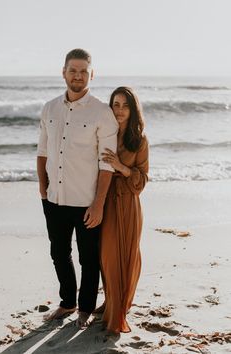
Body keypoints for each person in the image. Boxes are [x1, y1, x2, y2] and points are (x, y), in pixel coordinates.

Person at [37, 48, 118, 328]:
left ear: (91, 74)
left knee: (88, 258)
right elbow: (42, 152)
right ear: (63, 72)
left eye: (84, 71)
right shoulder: (49, 108)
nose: (78, 76)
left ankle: (85, 308)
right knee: (58, 253)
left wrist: (98, 204)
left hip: (87, 201)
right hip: (54, 199)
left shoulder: (102, 113)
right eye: (73, 70)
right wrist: (42, 189)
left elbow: (107, 164)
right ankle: (67, 302)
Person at [100, 86, 149, 334]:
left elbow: (143, 179)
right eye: (115, 104)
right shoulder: (103, 133)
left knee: (127, 254)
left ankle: (118, 310)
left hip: (128, 201)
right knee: (107, 256)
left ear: (133, 109)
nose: (119, 110)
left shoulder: (139, 140)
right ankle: (111, 302)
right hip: (104, 200)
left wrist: (120, 166)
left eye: (125, 105)